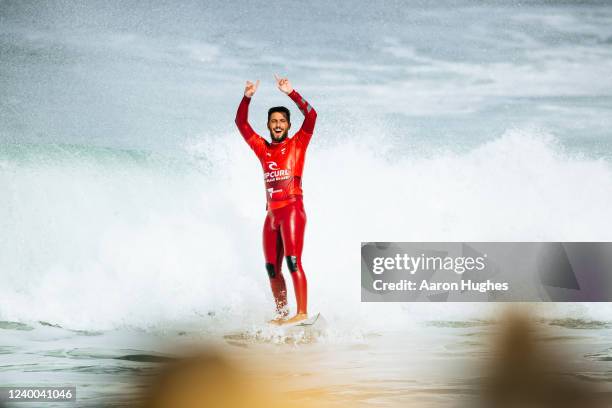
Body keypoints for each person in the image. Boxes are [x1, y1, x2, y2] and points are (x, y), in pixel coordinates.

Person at [235, 75, 317, 325]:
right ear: (269, 126)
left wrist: (291, 92)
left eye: (282, 121)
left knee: (293, 262)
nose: (278, 124)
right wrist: (247, 97)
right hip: (271, 215)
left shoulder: (298, 143)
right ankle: (282, 315)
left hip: (292, 210)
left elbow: (312, 115)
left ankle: (301, 313)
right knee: (272, 268)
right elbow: (241, 123)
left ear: (289, 125)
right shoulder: (263, 148)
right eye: (274, 121)